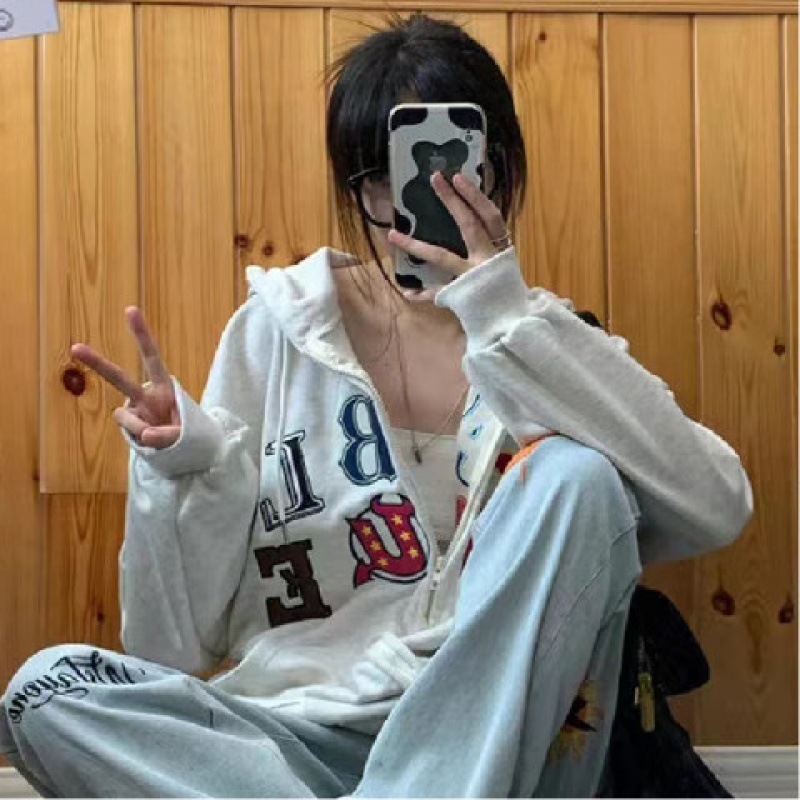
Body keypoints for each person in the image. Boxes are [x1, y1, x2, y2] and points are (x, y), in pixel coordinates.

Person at [0, 13, 752, 798]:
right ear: (356, 185)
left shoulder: (553, 348)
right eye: (387, 172)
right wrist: (183, 472)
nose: (418, 197)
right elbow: (171, 647)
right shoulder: (277, 334)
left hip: (499, 742)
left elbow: (718, 506)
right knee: (47, 689)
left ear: (497, 167)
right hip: (294, 741)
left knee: (576, 476)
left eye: (452, 164)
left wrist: (501, 312)